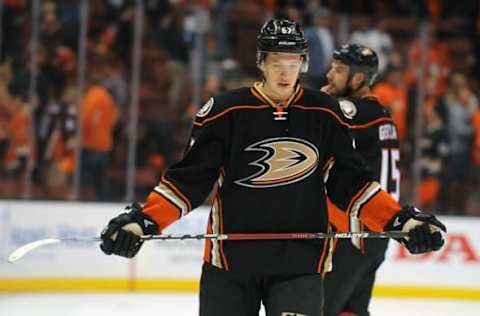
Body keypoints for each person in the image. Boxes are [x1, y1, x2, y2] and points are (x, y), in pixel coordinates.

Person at [99, 19, 446, 316]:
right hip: (230, 263)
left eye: (293, 62)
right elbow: (188, 182)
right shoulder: (225, 111)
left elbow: (352, 184)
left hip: (300, 263)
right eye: (277, 61)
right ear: (261, 62)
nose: (285, 71)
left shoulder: (325, 113)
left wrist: (400, 219)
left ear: (304, 63)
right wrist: (145, 219)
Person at [320, 44, 400, 316]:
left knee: (318, 309)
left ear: (358, 79)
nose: (330, 75)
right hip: (377, 231)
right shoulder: (379, 113)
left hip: (355, 230)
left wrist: (319, 101)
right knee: (352, 310)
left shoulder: (352, 110)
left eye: (339, 70)